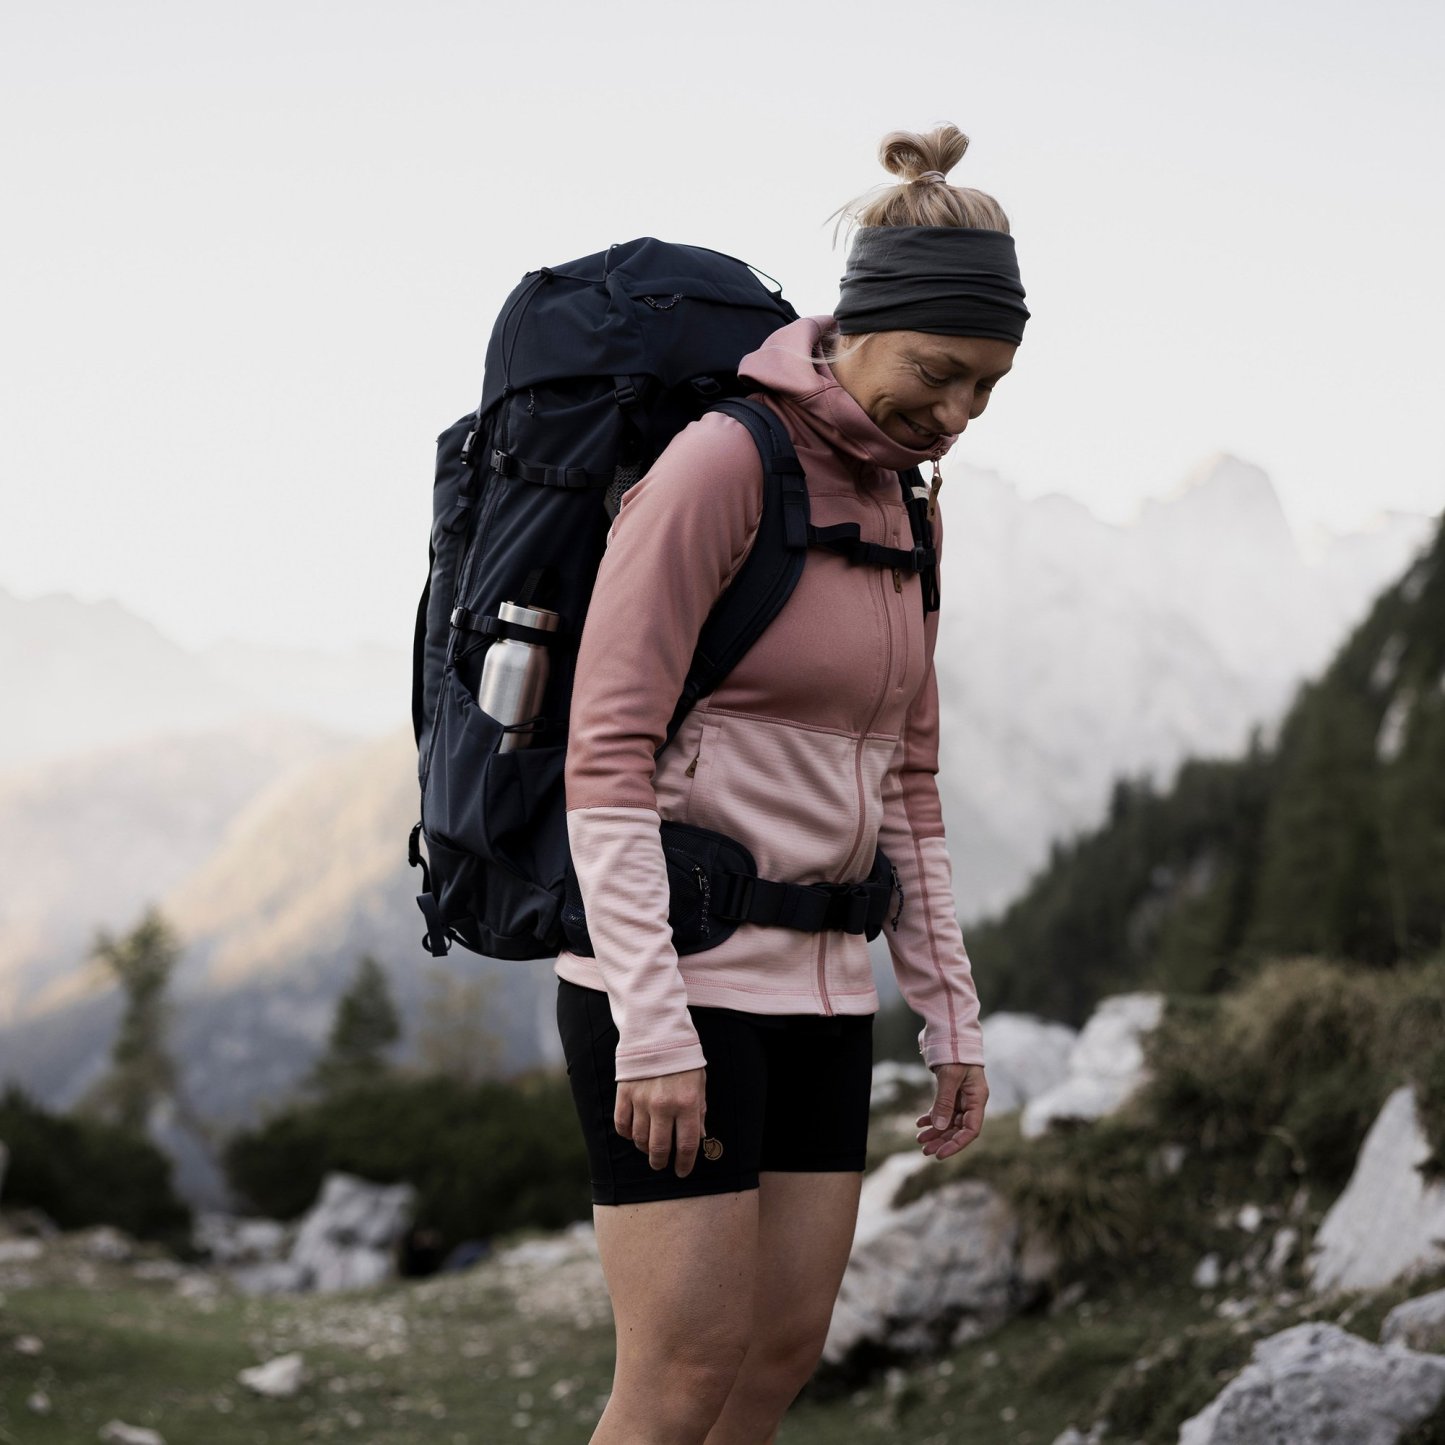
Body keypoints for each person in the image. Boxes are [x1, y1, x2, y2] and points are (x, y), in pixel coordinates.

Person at [554, 122, 1029, 1444]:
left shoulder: (909, 508)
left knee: (774, 1356)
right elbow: (605, 755)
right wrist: (651, 1026)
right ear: (857, 328)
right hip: (681, 979)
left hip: (823, 992)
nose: (957, 415)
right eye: (937, 373)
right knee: (679, 1375)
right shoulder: (721, 465)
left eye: (988, 387)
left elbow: (909, 783)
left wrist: (950, 1016)